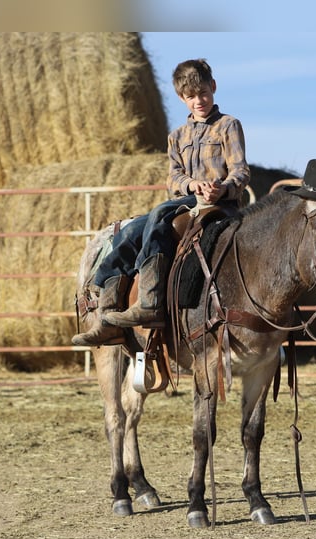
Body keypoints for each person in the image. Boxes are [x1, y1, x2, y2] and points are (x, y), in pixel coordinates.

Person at [72, 58, 250, 346]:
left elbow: (241, 171)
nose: (199, 101)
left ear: (213, 88)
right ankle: (106, 313)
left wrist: (221, 188)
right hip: (186, 201)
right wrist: (192, 184)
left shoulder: (228, 126)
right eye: (191, 96)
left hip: (219, 204)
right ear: (182, 98)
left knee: (157, 215)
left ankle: (150, 300)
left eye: (203, 93)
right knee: (129, 232)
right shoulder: (176, 137)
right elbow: (173, 179)